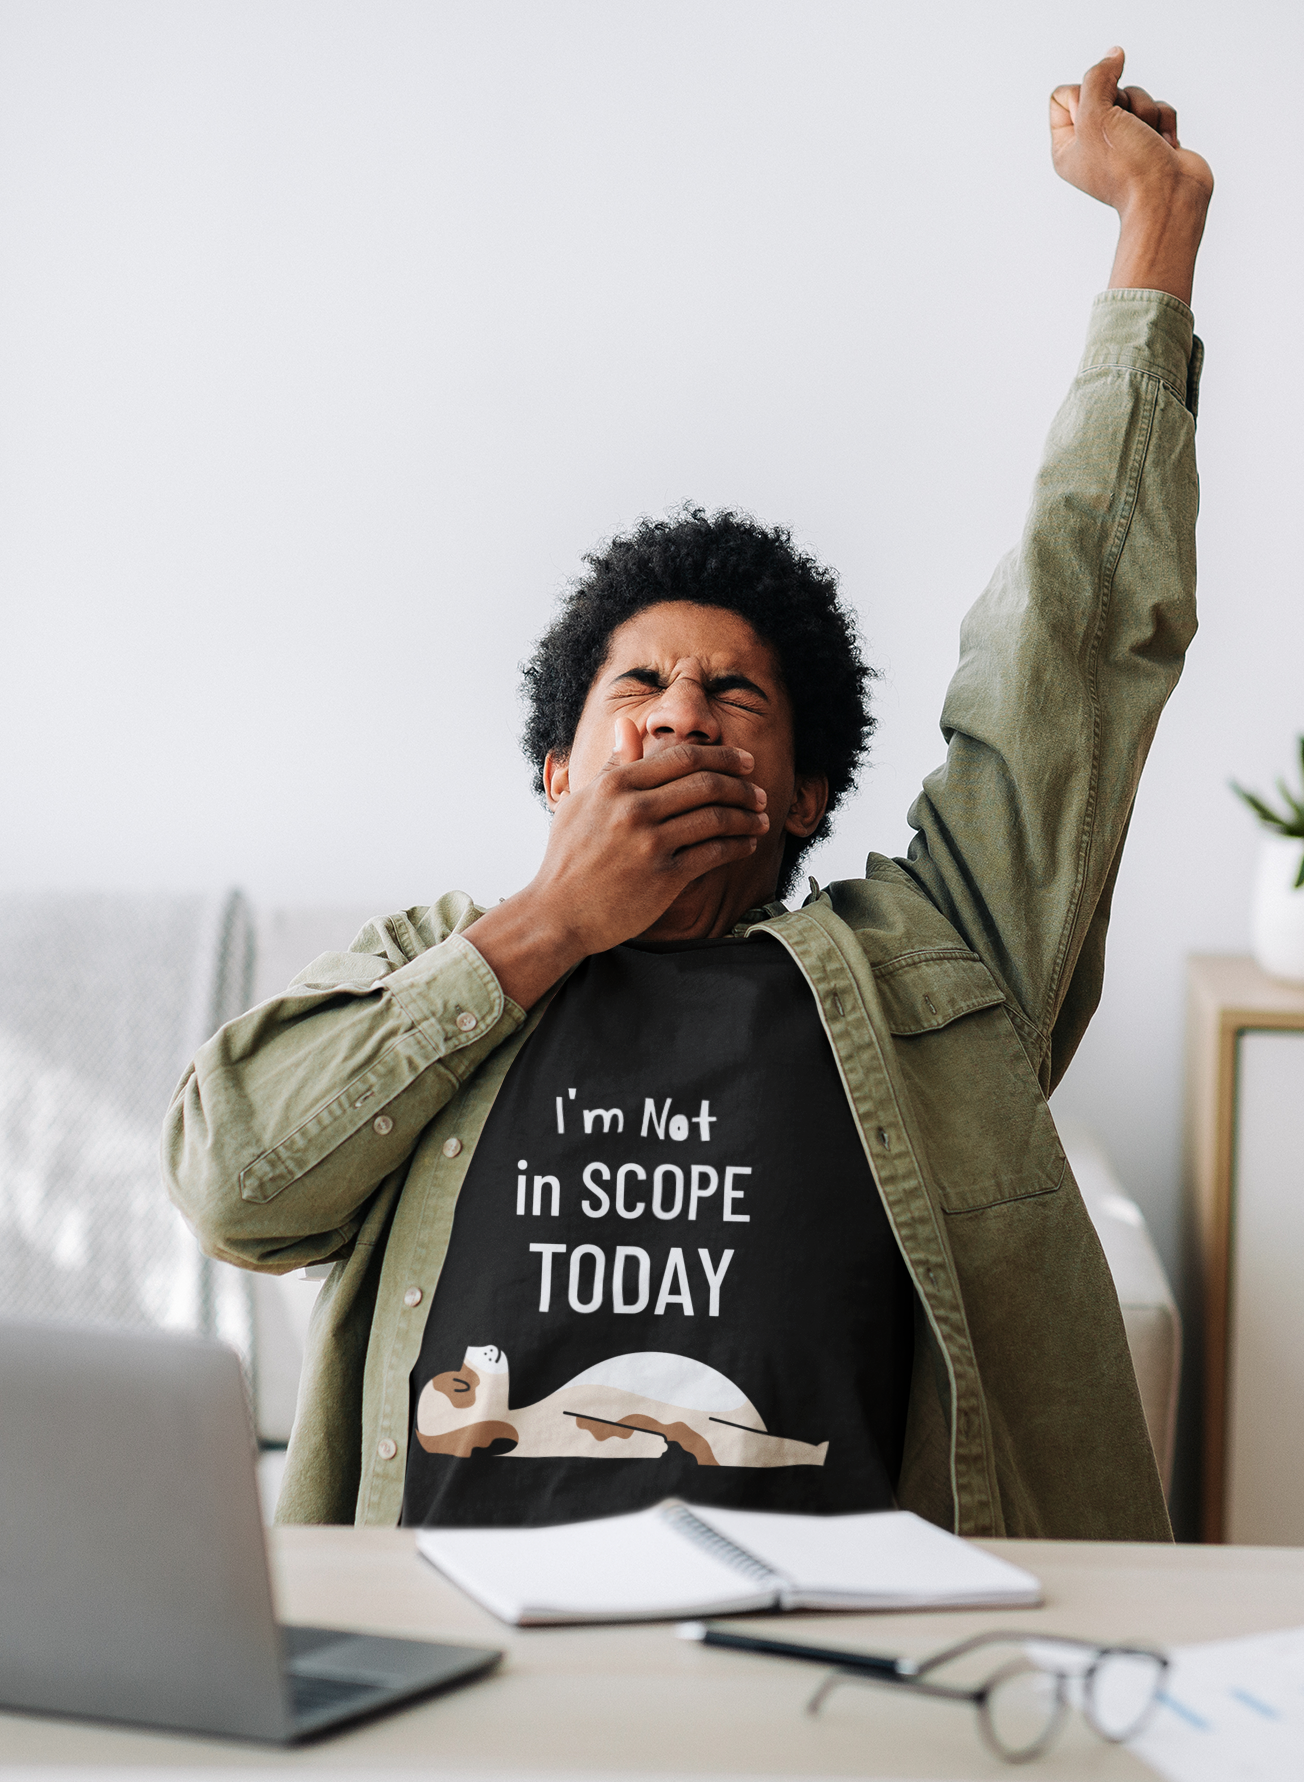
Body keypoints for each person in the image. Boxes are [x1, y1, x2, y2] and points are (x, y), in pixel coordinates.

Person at [166, 47, 1211, 1539]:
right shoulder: (436, 974)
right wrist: (549, 925)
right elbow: (233, 1183)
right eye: (636, 692)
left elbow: (1073, 642)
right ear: (556, 768)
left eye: (736, 698)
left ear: (802, 795)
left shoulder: (935, 964)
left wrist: (1152, 238)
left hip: (826, 1662)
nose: (681, 719)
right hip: (453, 1656)